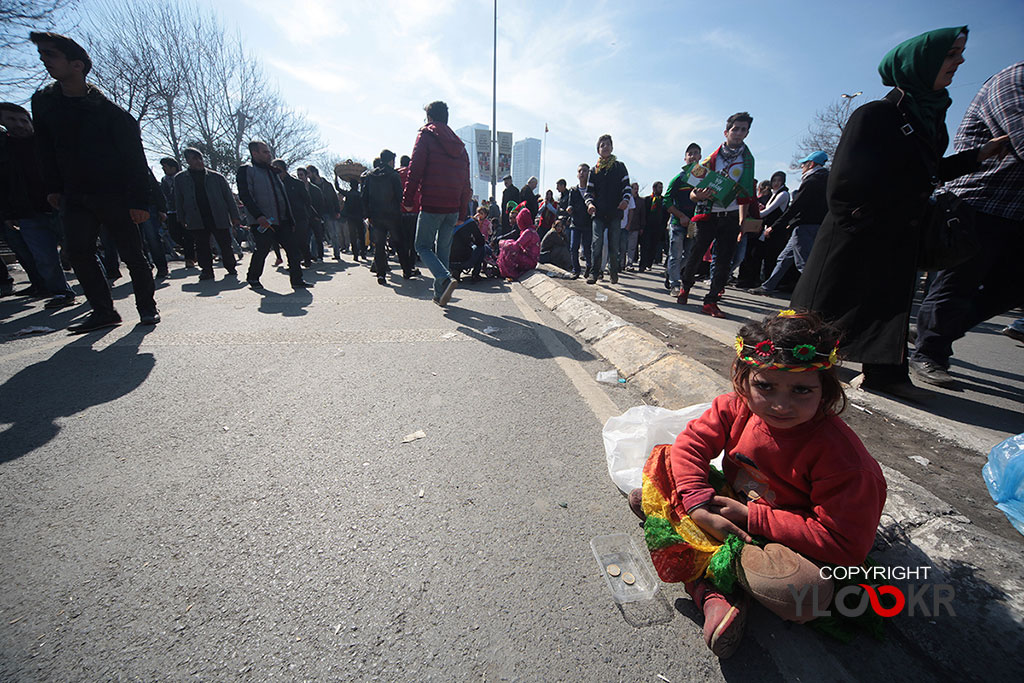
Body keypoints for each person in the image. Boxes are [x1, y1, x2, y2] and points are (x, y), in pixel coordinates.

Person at [629, 310, 886, 659]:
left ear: (824, 391)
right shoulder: (736, 407)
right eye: (765, 386)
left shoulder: (844, 461)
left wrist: (751, 518)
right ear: (744, 380)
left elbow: (844, 545)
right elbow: (690, 445)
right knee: (665, 458)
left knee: (804, 593)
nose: (781, 405)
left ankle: (710, 585)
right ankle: (704, 563)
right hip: (729, 505)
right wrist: (697, 504)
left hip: (785, 540)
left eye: (801, 391)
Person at [792, 27, 1008, 398]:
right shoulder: (876, 114)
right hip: (859, 232)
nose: (960, 62)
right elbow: (843, 183)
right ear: (921, 63)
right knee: (824, 309)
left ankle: (885, 373)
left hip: (898, 232)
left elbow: (929, 170)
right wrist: (865, 221)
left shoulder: (930, 119)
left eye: (960, 53)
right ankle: (790, 368)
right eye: (952, 54)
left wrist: (978, 156)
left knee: (887, 305)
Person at [29, 31, 159, 332]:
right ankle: (104, 312)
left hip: (114, 194)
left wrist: (139, 201)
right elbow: (45, 149)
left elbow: (136, 162)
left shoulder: (113, 115)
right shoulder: (45, 104)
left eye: (51, 54)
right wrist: (53, 187)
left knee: (133, 255)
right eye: (42, 55)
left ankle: (147, 307)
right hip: (74, 194)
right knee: (78, 251)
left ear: (77, 65)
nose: (44, 61)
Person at [910, 61, 1023, 388]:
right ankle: (930, 353)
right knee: (957, 283)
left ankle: (937, 327)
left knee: (1013, 287)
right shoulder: (1014, 79)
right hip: (980, 202)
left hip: (1017, 210)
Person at [679, 113, 757, 318]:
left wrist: (742, 221)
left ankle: (711, 300)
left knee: (724, 260)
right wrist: (699, 194)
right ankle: (685, 286)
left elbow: (745, 195)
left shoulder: (747, 161)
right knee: (696, 254)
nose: (739, 133)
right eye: (735, 129)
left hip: (730, 216)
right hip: (708, 215)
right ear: (726, 132)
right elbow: (693, 193)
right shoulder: (710, 160)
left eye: (743, 129)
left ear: (747, 133)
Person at [0, 101, 77, 308]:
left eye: (23, 120)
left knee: (79, 250)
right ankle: (61, 292)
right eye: (11, 120)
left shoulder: (47, 143)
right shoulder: (4, 151)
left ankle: (97, 290)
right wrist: (8, 213)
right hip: (28, 212)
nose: (19, 124)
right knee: (44, 257)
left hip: (61, 206)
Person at [402, 100, 471, 307]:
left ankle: (445, 278)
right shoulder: (460, 146)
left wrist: (407, 199)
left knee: (421, 245)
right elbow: (466, 183)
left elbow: (415, 169)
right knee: (443, 251)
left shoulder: (426, 135)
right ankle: (440, 295)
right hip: (451, 208)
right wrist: (462, 212)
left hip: (432, 203)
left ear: (430, 118)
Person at [749, 151, 829, 296]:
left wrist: (775, 226)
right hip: (812, 225)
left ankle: (817, 294)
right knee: (784, 258)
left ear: (811, 164)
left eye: (804, 164)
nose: (802, 167)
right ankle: (768, 287)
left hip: (804, 226)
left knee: (803, 263)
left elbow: (795, 207)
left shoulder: (811, 182)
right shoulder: (826, 181)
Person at [237, 140, 310, 290]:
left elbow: (282, 197)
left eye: (269, 152)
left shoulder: (273, 171)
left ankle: (297, 280)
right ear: (254, 153)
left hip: (282, 219)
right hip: (263, 221)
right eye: (265, 152)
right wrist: (258, 216)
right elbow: (246, 196)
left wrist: (290, 218)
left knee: (293, 250)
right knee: (262, 250)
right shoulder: (247, 170)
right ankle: (253, 278)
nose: (268, 155)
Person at [174, 147, 241, 280]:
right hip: (196, 217)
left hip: (218, 215)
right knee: (201, 245)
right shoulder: (180, 179)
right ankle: (207, 271)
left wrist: (235, 216)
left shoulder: (217, 177)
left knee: (225, 243)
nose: (198, 161)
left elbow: (229, 198)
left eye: (200, 158)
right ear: (187, 161)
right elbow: (178, 199)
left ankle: (230, 266)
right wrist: (181, 218)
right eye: (194, 159)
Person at [362, 148, 414, 284]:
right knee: (399, 243)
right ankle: (406, 270)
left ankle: (381, 274)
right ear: (391, 161)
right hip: (393, 215)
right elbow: (399, 195)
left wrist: (368, 214)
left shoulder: (370, 175)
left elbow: (365, 196)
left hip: (376, 215)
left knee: (379, 245)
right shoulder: (393, 175)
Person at [585, 134, 631, 285]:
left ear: (612, 147)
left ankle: (613, 271)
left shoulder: (619, 167)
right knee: (597, 242)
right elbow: (588, 192)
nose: (605, 147)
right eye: (602, 145)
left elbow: (627, 187)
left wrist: (625, 200)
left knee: (614, 244)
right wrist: (590, 204)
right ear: (598, 150)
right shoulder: (594, 170)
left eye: (608, 144)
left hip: (615, 212)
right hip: (598, 213)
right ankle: (594, 272)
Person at [737, 171, 789, 289]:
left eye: (779, 181)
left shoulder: (783, 194)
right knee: (757, 255)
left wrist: (750, 214)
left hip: (774, 231)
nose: (776, 183)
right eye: (774, 180)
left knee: (769, 257)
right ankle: (755, 280)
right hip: (765, 230)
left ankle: (767, 283)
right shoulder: (774, 194)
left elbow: (767, 211)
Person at [664, 143, 702, 298]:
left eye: (696, 153)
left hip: (694, 225)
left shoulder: (704, 179)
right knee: (676, 254)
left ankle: (670, 272)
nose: (693, 156)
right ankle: (675, 284)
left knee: (689, 256)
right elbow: (666, 201)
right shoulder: (678, 179)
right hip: (677, 224)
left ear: (700, 157)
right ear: (685, 157)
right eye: (690, 153)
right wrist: (681, 216)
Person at [272, 158, 319, 275]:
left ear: (281, 168)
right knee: (289, 242)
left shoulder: (296, 183)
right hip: (284, 218)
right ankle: (294, 264)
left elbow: (307, 201)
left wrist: (306, 214)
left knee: (301, 240)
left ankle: (307, 259)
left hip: (299, 217)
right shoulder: (275, 184)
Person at [159, 156, 196, 270]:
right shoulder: (164, 180)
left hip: (185, 210)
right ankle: (193, 250)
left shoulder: (183, 178)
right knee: (174, 234)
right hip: (170, 211)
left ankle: (189, 259)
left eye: (165, 166)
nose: (163, 169)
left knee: (187, 234)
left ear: (173, 167)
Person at [306, 165, 342, 260]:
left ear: (314, 173)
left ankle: (337, 254)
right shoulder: (310, 186)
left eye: (308, 173)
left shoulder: (327, 184)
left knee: (334, 234)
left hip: (330, 212)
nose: (307, 175)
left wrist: (337, 211)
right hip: (317, 213)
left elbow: (334, 198)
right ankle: (315, 255)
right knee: (315, 235)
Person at [498, 206, 540, 281]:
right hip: (531, 260)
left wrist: (502, 243)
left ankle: (508, 272)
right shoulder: (530, 230)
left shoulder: (528, 232)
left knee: (508, 249)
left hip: (530, 262)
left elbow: (515, 246)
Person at [565, 163, 592, 279]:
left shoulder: (591, 190)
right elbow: (570, 204)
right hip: (575, 223)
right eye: (580, 171)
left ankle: (589, 267)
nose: (582, 173)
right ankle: (576, 269)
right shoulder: (573, 190)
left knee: (587, 248)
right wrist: (569, 209)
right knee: (573, 247)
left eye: (585, 171)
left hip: (588, 223)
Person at [397, 154, 421, 277]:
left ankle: (405, 267)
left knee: (401, 241)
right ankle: (411, 266)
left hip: (399, 213)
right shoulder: (414, 174)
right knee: (413, 242)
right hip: (414, 211)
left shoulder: (395, 174)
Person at [449, 214, 487, 283]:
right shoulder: (469, 222)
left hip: (446, 261)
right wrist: (472, 240)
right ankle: (475, 274)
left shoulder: (446, 219)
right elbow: (480, 242)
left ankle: (455, 270)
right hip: (464, 259)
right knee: (482, 247)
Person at [640, 181, 667, 273]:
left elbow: (666, 214)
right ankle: (642, 264)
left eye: (662, 188)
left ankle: (649, 264)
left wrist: (663, 226)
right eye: (659, 187)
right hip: (647, 226)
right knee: (645, 245)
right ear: (654, 188)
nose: (661, 189)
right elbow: (643, 213)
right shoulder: (647, 200)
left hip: (658, 227)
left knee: (654, 246)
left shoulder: (664, 200)